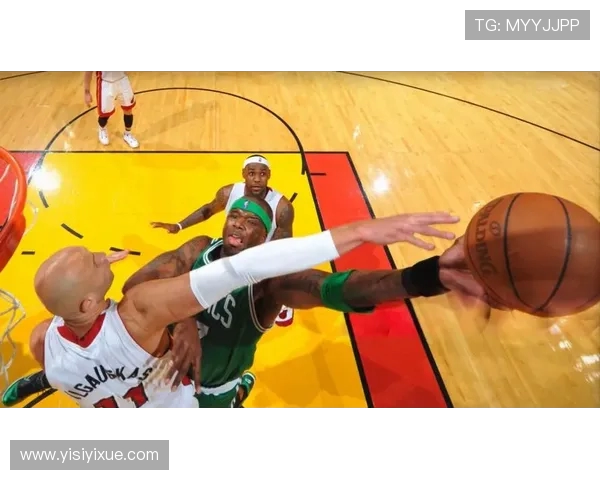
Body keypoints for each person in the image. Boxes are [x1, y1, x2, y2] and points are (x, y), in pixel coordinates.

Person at [1, 206, 462, 407]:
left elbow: (337, 287)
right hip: (166, 387)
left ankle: (49, 378)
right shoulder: (195, 252)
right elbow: (144, 282)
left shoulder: (269, 286)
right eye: (235, 215)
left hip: (208, 384)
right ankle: (49, 377)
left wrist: (420, 278)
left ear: (268, 238)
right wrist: (182, 320)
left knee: (82, 370)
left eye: (252, 221)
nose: (239, 223)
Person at [151, 154, 296, 327]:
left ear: (269, 175)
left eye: (262, 174)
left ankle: (283, 302)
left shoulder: (282, 207)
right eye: (252, 173)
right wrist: (179, 226)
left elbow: (282, 247)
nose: (257, 179)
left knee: (262, 304)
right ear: (243, 173)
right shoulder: (228, 193)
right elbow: (208, 210)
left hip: (261, 253)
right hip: (236, 246)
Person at [83, 71, 139, 148]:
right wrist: (87, 92)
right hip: (106, 83)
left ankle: (127, 134)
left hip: (122, 80)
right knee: (105, 114)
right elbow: (88, 71)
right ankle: (102, 128)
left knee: (128, 108)